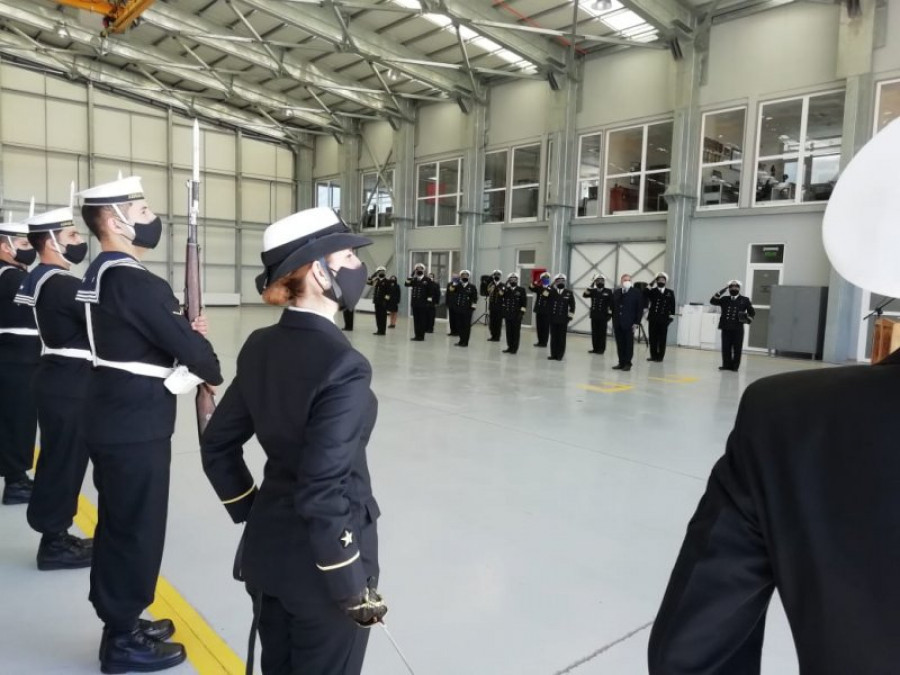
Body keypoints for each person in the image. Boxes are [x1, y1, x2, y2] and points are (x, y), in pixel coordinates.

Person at [648, 120, 900, 673]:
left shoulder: (789, 422)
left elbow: (691, 652)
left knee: (735, 350)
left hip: (744, 339)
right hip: (726, 333)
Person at [201, 207, 386, 675]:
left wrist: (250, 509)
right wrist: (348, 582)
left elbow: (217, 444)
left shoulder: (260, 345)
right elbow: (323, 488)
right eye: (345, 256)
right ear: (318, 272)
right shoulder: (344, 365)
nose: (357, 267)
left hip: (268, 554)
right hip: (323, 570)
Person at [76, 176, 222, 673]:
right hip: (134, 423)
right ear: (115, 221)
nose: (149, 216)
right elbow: (205, 359)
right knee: (135, 529)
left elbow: (132, 338)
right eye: (140, 210)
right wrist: (188, 340)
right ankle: (121, 639)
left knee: (120, 524)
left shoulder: (99, 275)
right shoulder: (136, 281)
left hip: (113, 412)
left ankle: (124, 618)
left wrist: (178, 330)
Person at [14, 206, 93, 570]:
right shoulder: (63, 285)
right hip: (70, 383)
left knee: (57, 460)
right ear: (51, 242)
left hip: (58, 378)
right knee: (64, 463)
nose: (79, 241)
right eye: (72, 236)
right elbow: (107, 320)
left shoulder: (44, 278)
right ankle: (55, 543)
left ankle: (54, 534)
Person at [0, 218, 38, 506]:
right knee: (19, 421)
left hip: (10, 357)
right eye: (23, 244)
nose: (29, 249)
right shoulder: (13, 279)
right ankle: (16, 482)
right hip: (19, 361)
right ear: (4, 247)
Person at [710, 280, 755, 372]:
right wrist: (723, 290)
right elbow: (713, 301)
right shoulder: (724, 299)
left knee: (737, 348)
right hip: (726, 327)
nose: (733, 288)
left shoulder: (744, 300)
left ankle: (735, 366)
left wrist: (747, 320)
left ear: (739, 288)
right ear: (729, 288)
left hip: (737, 328)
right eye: (731, 287)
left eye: (736, 286)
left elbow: (752, 312)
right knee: (726, 347)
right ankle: (726, 365)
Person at [611, 274, 643, 371]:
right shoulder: (617, 292)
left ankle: (628, 363)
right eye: (625, 280)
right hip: (618, 322)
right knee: (620, 344)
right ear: (621, 281)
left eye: (628, 280)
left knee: (628, 344)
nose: (626, 282)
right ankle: (621, 362)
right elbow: (613, 307)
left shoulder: (636, 293)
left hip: (630, 323)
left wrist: (637, 322)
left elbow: (639, 309)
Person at [644, 272, 677, 362]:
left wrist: (670, 318)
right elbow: (644, 293)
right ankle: (653, 355)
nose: (661, 281)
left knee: (662, 339)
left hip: (664, 319)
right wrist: (651, 284)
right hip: (653, 318)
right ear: (656, 281)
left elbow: (673, 305)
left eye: (663, 280)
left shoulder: (670, 292)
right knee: (652, 338)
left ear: (665, 281)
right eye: (659, 280)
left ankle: (660, 357)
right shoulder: (652, 291)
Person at [547, 274, 575, 361]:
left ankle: (560, 355)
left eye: (562, 281)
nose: (561, 282)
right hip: (553, 318)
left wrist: (569, 317)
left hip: (563, 319)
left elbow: (572, 306)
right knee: (553, 337)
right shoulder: (552, 292)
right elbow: (544, 295)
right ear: (556, 282)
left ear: (565, 282)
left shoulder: (568, 293)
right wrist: (550, 285)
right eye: (558, 281)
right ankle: (553, 354)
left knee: (561, 338)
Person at [583, 274, 613, 355]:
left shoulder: (608, 291)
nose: (600, 282)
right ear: (595, 282)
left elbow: (611, 304)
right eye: (598, 280)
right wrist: (591, 284)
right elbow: (585, 295)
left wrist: (609, 315)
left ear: (604, 282)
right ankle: (595, 348)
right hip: (594, 315)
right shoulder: (593, 291)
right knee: (595, 333)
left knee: (602, 334)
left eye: (602, 280)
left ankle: (601, 349)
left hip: (603, 316)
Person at [447, 270, 478, 347]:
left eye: (466, 275)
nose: (464, 277)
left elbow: (474, 298)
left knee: (466, 327)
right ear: (460, 277)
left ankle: (465, 342)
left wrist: (472, 309)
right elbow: (451, 292)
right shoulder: (457, 286)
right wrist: (454, 283)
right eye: (463, 275)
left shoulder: (472, 287)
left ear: (468, 277)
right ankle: (461, 340)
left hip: (467, 310)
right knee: (459, 326)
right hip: (458, 309)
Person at [499, 273, 527, 355]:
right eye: (511, 280)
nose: (513, 281)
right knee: (509, 332)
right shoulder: (506, 289)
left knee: (515, 332)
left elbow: (524, 303)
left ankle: (514, 348)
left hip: (517, 315)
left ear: (517, 280)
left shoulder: (521, 290)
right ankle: (509, 347)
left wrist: (522, 313)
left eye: (515, 279)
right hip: (508, 314)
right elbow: (500, 294)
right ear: (509, 280)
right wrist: (504, 285)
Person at [405, 263, 430, 341]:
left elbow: (430, 292)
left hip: (423, 304)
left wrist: (428, 302)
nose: (419, 270)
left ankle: (421, 336)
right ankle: (417, 335)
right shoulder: (414, 279)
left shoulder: (427, 280)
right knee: (416, 320)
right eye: (417, 269)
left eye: (420, 269)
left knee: (422, 320)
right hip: (415, 304)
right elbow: (406, 284)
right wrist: (410, 276)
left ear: (423, 270)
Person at [530, 271, 552, 348]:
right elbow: (531, 288)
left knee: (545, 327)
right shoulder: (539, 287)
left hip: (546, 311)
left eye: (547, 278)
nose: (545, 279)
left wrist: (539, 287)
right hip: (539, 310)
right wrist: (535, 282)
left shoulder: (551, 288)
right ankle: (540, 341)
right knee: (539, 327)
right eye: (544, 278)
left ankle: (544, 342)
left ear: (549, 279)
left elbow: (545, 294)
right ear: (541, 279)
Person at [366, 266, 389, 336]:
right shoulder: (376, 281)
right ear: (377, 273)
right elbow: (368, 282)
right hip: (377, 302)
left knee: (383, 317)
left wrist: (385, 301)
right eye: (379, 272)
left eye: (382, 271)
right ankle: (379, 330)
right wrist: (372, 276)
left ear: (384, 272)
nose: (381, 273)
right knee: (378, 316)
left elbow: (389, 293)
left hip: (383, 302)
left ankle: (382, 331)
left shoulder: (387, 281)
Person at [485, 269, 504, 342]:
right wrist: (491, 286)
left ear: (500, 276)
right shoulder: (491, 284)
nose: (496, 276)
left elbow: (503, 294)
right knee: (492, 323)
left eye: (498, 275)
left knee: (498, 323)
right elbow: (487, 291)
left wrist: (498, 288)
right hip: (492, 307)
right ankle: (493, 335)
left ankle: (497, 337)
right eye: (495, 275)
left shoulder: (502, 285)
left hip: (499, 307)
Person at [445, 272, 460, 337]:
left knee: (457, 319)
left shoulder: (460, 284)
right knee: (451, 319)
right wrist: (447, 303)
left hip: (457, 305)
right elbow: (447, 294)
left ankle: (457, 332)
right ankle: (452, 331)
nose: (454, 278)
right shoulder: (449, 284)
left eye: (456, 277)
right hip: (451, 304)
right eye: (453, 277)